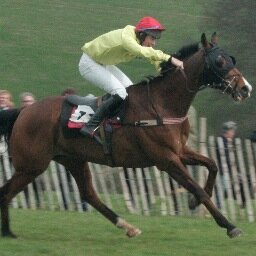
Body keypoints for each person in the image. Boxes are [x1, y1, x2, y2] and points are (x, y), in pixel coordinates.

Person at [79, 16, 184, 142]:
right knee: (120, 93)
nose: (154, 43)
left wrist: (164, 70)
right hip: (89, 63)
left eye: (155, 39)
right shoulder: (127, 39)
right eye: (152, 38)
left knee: (130, 90)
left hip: (102, 63)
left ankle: (115, 121)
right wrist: (169, 58)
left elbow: (152, 56)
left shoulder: (138, 39)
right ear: (141, 34)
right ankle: (90, 126)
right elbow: (142, 51)